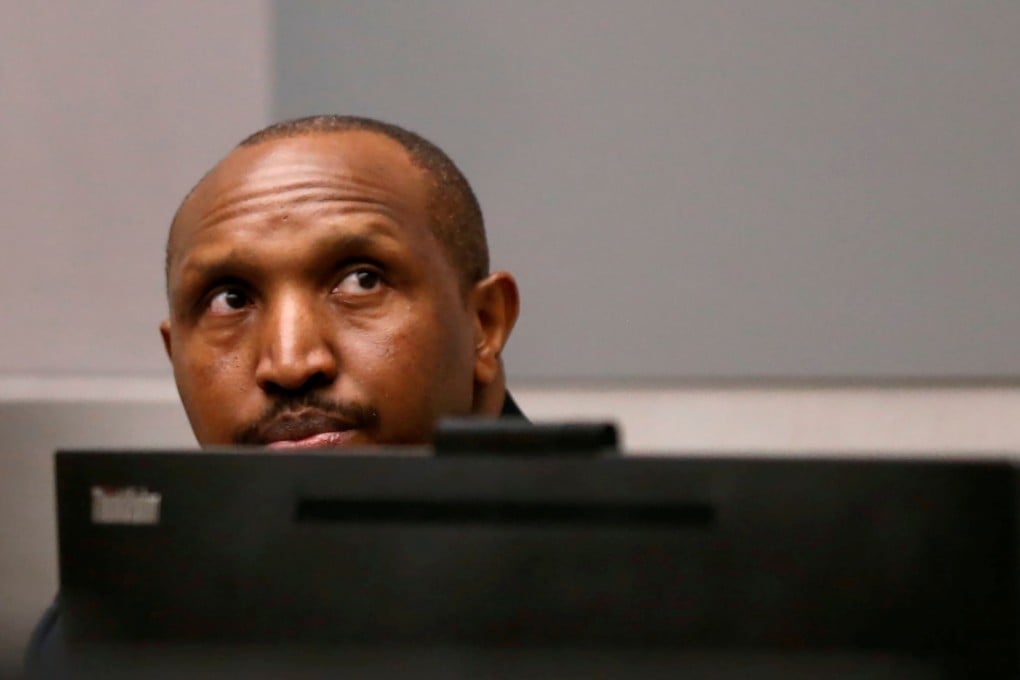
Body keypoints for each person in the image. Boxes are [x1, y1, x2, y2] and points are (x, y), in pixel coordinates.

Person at [25, 114, 523, 675]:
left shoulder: (627, 597)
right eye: (230, 300)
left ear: (483, 324)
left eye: (361, 280)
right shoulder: (108, 632)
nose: (288, 363)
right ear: (175, 359)